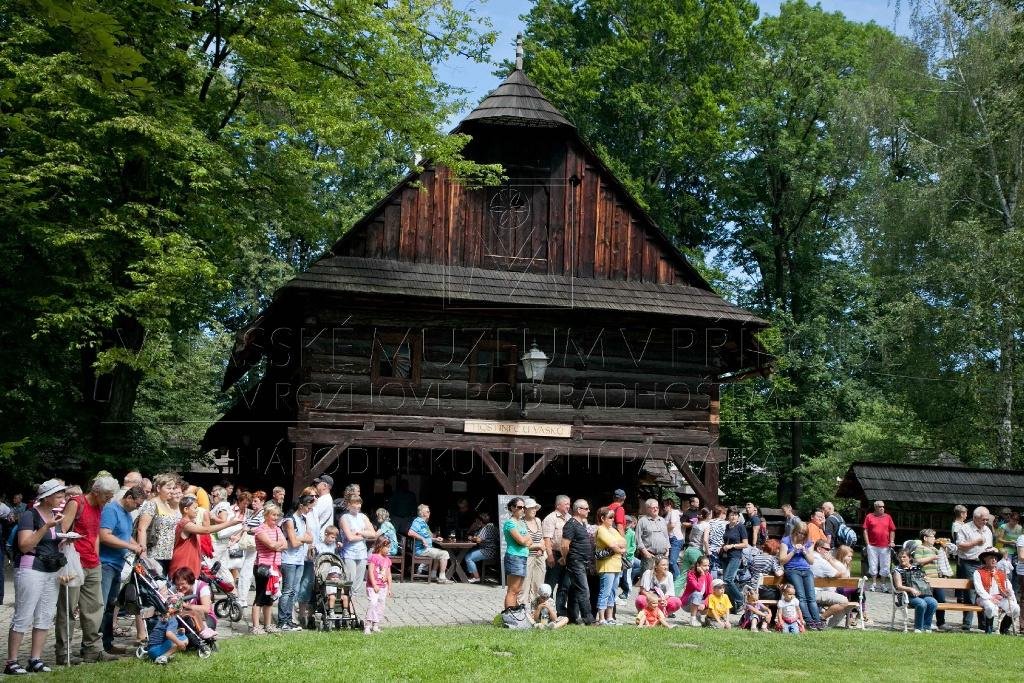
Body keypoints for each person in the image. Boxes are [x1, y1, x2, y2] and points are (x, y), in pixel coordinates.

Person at [4, 480, 66, 675]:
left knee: (45, 615)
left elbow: (54, 542)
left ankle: (35, 659)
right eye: (58, 495)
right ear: (46, 497)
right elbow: (24, 545)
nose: (62, 499)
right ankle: (12, 661)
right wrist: (45, 527)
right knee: (24, 614)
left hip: (51, 569)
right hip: (30, 568)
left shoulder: (56, 516)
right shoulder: (29, 516)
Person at [56, 475, 119, 665]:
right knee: (68, 608)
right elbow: (61, 532)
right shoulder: (76, 503)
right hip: (74, 562)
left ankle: (93, 650)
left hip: (93, 563)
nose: (109, 499)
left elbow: (95, 535)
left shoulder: (100, 506)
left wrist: (97, 558)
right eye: (107, 495)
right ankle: (63, 653)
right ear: (96, 491)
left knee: (95, 608)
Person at [98, 485, 145, 656]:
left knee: (111, 605)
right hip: (106, 564)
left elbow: (125, 535)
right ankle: (94, 646)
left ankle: (107, 644)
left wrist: (136, 545)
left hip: (117, 564)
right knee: (101, 606)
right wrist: (129, 546)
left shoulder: (126, 514)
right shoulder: (112, 510)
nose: (138, 508)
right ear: (129, 497)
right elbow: (104, 536)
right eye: (137, 504)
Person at [168, 495, 240, 580]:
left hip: (189, 563)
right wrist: (230, 523)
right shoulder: (185, 523)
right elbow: (206, 530)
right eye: (195, 508)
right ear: (186, 509)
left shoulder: (189, 522)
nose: (197, 510)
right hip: (183, 563)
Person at [278, 494, 315, 631]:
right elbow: (293, 542)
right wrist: (304, 539)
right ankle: (282, 621)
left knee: (294, 591)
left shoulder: (303, 519)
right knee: (287, 590)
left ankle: (289, 619)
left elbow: (310, 538)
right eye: (308, 508)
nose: (309, 511)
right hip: (289, 559)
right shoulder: (289, 520)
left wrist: (304, 539)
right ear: (301, 506)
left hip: (300, 559)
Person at [136, 473, 183, 576]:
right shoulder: (152, 504)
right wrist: (143, 554)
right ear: (158, 488)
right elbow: (141, 529)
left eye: (172, 488)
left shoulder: (168, 504)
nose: (171, 491)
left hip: (169, 555)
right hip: (154, 554)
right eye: (168, 488)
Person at [779, 522, 823, 630]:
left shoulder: (808, 542)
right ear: (795, 531)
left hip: (806, 570)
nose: (801, 536)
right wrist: (793, 551)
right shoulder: (786, 541)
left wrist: (804, 551)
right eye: (800, 533)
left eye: (804, 534)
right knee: (801, 597)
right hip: (792, 570)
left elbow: (811, 561)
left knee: (811, 597)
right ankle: (809, 621)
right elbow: (782, 560)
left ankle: (817, 621)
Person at [956, 505, 993, 631]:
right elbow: (959, 546)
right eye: (983, 520)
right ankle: (967, 624)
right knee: (970, 593)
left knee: (984, 593)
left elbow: (989, 546)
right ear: (975, 518)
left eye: (987, 520)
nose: (986, 522)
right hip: (969, 563)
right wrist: (975, 542)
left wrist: (992, 551)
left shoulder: (987, 530)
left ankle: (983, 624)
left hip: (984, 564)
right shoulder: (965, 528)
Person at [251, 503, 286, 634]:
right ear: (266, 515)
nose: (276, 517)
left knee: (271, 597)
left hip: (276, 566)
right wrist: (277, 545)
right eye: (273, 515)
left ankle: (268, 625)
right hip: (263, 567)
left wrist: (277, 545)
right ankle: (256, 626)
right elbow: (271, 545)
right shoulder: (260, 530)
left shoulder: (277, 529)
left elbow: (285, 545)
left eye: (277, 515)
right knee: (260, 596)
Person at [560, 499, 594, 625]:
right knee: (584, 590)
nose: (589, 510)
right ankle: (588, 618)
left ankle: (573, 617)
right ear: (579, 510)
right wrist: (565, 558)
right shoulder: (571, 524)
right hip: (576, 561)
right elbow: (564, 545)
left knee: (575, 590)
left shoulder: (581, 524)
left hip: (583, 562)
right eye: (586, 508)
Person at [974, 547, 1019, 634]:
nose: (994, 560)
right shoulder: (978, 572)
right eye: (991, 557)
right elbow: (979, 589)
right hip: (984, 598)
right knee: (990, 607)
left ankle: (1004, 629)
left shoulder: (1001, 573)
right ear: (985, 559)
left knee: (1015, 608)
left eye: (995, 558)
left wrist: (1010, 595)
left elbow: (1009, 587)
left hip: (1000, 598)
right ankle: (989, 629)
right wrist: (990, 598)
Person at [892, 548, 938, 633]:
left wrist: (926, 580)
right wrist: (910, 589)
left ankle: (926, 626)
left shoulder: (916, 568)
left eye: (904, 557)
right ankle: (918, 628)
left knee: (933, 602)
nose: (902, 559)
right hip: (905, 596)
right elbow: (898, 586)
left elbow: (922, 580)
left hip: (921, 594)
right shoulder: (897, 570)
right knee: (921, 603)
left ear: (909, 558)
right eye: (900, 557)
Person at [594, 506, 626, 625]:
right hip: (606, 566)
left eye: (613, 517)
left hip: (617, 565)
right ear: (602, 518)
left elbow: (624, 542)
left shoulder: (612, 530)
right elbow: (613, 545)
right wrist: (618, 547)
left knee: (613, 592)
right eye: (610, 517)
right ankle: (601, 618)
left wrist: (617, 546)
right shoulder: (601, 529)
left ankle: (610, 617)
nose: (613, 519)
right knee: (605, 592)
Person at [809, 539, 853, 627]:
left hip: (807, 591)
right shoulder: (822, 562)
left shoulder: (809, 557)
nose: (829, 552)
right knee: (844, 602)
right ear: (819, 549)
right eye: (827, 549)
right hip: (815, 592)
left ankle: (827, 625)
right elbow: (842, 575)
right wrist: (830, 561)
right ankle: (822, 619)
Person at [340, 495, 377, 594]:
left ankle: (353, 600)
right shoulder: (345, 517)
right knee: (349, 579)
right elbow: (350, 537)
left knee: (359, 581)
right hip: (349, 552)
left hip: (362, 552)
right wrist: (365, 535)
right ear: (349, 505)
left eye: (359, 503)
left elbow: (373, 533)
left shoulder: (363, 517)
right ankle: (347, 602)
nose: (358, 506)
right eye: (355, 503)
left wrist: (360, 533)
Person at [912, 529, 949, 629]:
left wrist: (944, 548)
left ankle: (941, 622)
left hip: (937, 579)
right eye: (932, 536)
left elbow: (942, 557)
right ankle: (925, 622)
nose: (934, 539)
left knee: (941, 599)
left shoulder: (933, 549)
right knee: (928, 601)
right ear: (925, 538)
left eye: (934, 536)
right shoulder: (920, 548)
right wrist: (932, 558)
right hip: (925, 580)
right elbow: (917, 561)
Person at [542, 495, 571, 617]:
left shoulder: (569, 518)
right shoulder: (551, 518)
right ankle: (546, 611)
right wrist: (549, 556)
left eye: (569, 504)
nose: (568, 507)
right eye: (566, 504)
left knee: (565, 585)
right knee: (550, 584)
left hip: (567, 555)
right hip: (555, 554)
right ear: (558, 505)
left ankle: (560, 610)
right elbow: (546, 539)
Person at [407, 504, 449, 583]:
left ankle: (433, 575)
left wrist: (435, 539)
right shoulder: (418, 521)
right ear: (422, 513)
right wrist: (422, 539)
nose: (429, 513)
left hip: (425, 548)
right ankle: (442, 578)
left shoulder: (423, 523)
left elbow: (426, 538)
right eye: (427, 511)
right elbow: (410, 532)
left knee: (438, 553)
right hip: (421, 550)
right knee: (444, 553)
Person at [502, 497, 531, 610]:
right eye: (520, 507)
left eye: (524, 507)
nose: (523, 509)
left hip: (522, 556)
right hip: (514, 557)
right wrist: (526, 540)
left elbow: (530, 540)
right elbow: (522, 540)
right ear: (512, 508)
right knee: (512, 590)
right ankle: (509, 614)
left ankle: (513, 613)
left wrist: (526, 541)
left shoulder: (521, 523)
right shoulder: (510, 523)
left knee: (518, 590)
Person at [863, 500, 896, 592]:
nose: (882, 508)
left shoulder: (888, 517)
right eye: (880, 506)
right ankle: (873, 584)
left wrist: (892, 541)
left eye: (883, 506)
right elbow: (865, 530)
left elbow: (892, 530)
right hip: (872, 546)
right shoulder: (869, 516)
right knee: (873, 564)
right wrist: (867, 543)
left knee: (885, 565)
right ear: (875, 507)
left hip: (885, 545)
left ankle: (883, 584)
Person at [364, 537, 393, 634]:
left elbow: (389, 574)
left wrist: (389, 588)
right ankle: (367, 625)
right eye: (387, 547)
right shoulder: (374, 557)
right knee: (373, 603)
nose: (389, 549)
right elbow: (370, 572)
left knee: (381, 605)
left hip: (383, 587)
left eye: (389, 547)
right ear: (380, 547)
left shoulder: (388, 560)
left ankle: (376, 625)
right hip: (373, 587)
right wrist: (374, 584)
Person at [721, 506, 748, 609]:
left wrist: (732, 546)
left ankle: (740, 599)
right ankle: (732, 605)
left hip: (735, 556)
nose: (733, 517)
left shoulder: (741, 527)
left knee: (728, 579)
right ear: (728, 515)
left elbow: (745, 544)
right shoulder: (727, 526)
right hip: (725, 556)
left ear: (738, 516)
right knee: (725, 581)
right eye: (731, 514)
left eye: (735, 515)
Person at [522, 499, 546, 605]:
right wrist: (538, 546)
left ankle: (536, 609)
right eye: (532, 508)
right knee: (525, 585)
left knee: (538, 584)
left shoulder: (538, 521)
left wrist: (541, 549)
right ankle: (524, 608)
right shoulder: (521, 522)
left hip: (539, 556)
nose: (534, 510)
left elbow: (541, 538)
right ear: (525, 509)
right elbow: (524, 543)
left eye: (535, 508)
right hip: (526, 556)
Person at [635, 499, 669, 573]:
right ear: (647, 509)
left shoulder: (662, 520)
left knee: (661, 580)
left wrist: (667, 550)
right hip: (649, 556)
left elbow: (666, 536)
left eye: (657, 507)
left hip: (663, 556)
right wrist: (645, 552)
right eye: (653, 507)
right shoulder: (642, 521)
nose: (656, 509)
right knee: (647, 580)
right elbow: (637, 538)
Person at [680, 555, 713, 627]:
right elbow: (698, 588)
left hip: (700, 603)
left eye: (708, 565)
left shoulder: (709, 575)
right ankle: (693, 619)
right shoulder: (691, 574)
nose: (707, 568)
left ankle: (708, 619)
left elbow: (710, 593)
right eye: (704, 565)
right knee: (697, 594)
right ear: (698, 565)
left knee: (714, 598)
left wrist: (704, 604)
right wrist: (702, 575)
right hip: (687, 603)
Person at [464, 512, 497, 583]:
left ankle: (476, 577)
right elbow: (477, 536)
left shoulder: (487, 527)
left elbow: (478, 540)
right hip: (490, 550)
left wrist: (472, 538)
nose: (476, 522)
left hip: (488, 551)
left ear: (480, 521)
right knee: (468, 553)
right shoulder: (489, 526)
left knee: (468, 557)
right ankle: (472, 576)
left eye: (477, 521)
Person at [680, 507, 710, 576]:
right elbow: (705, 540)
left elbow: (690, 537)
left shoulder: (695, 524)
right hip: (697, 551)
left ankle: (676, 587)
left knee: (683, 575)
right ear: (707, 516)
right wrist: (708, 552)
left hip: (688, 550)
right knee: (700, 574)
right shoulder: (706, 525)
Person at [619, 515, 640, 600]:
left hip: (628, 558)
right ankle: (622, 591)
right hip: (619, 556)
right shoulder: (620, 531)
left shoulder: (632, 533)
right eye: (626, 522)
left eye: (629, 522)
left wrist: (627, 552)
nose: (627, 523)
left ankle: (628, 592)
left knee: (626, 575)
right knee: (619, 575)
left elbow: (633, 546)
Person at [663, 498, 684, 580]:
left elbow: (672, 525)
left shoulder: (674, 512)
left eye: (665, 505)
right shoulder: (668, 514)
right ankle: (674, 578)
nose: (664, 507)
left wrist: (663, 531)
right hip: (670, 539)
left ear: (669, 505)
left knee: (672, 561)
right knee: (669, 561)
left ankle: (678, 579)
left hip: (676, 538)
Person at [706, 505, 727, 576]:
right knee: (717, 569)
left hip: (709, 548)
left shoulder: (709, 522)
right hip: (720, 549)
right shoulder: (725, 524)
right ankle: (716, 585)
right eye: (725, 513)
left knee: (710, 567)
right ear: (722, 513)